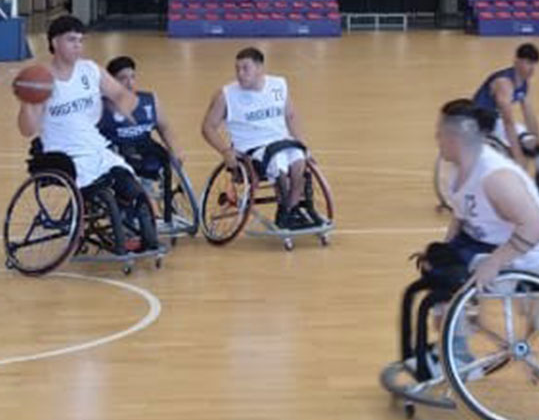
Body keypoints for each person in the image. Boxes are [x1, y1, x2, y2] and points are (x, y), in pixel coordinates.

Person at [399, 99, 539, 382]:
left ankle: (460, 355)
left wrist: (494, 263)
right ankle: (452, 344)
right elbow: (461, 215)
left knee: (454, 279)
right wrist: (443, 251)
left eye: (440, 132)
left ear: (455, 137)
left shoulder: (496, 177)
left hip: (525, 252)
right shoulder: (459, 170)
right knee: (438, 266)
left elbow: (538, 226)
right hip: (486, 242)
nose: (436, 137)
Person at [17, 15, 159, 255]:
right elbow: (27, 129)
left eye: (80, 40)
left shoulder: (90, 70)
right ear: (54, 42)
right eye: (71, 40)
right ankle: (88, 227)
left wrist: (124, 108)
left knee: (132, 189)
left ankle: (139, 235)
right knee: (99, 190)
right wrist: (27, 103)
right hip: (62, 152)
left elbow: (121, 95)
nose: (77, 46)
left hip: (95, 146)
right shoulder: (41, 80)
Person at [201, 47, 316, 229]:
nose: (240, 73)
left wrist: (303, 144)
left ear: (260, 68)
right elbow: (208, 127)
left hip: (281, 141)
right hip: (251, 148)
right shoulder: (226, 95)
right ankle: (284, 211)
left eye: (245, 68)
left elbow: (291, 116)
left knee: (299, 159)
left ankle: (292, 209)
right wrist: (225, 151)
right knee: (278, 163)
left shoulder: (278, 85)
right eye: (237, 69)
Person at [98, 55, 186, 225]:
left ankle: (155, 210)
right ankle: (143, 210)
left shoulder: (149, 101)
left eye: (132, 77)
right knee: (128, 172)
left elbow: (164, 127)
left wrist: (176, 149)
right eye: (123, 78)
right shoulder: (101, 106)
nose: (129, 83)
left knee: (160, 162)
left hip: (144, 146)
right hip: (117, 149)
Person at [472, 43, 539, 204]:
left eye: (534, 64)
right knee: (519, 153)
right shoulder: (504, 83)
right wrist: (518, 155)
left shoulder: (523, 83)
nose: (532, 69)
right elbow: (508, 121)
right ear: (517, 61)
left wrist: (538, 143)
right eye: (528, 63)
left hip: (497, 121)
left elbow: (529, 115)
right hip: (483, 122)